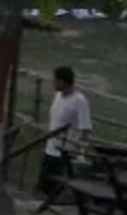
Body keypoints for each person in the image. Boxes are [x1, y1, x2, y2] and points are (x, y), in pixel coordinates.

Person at [40, 67, 93, 199]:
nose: (53, 83)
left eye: (55, 80)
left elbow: (85, 128)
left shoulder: (80, 101)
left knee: (56, 187)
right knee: (44, 185)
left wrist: (81, 153)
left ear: (63, 81)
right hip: (51, 148)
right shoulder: (58, 96)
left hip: (65, 150)